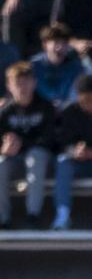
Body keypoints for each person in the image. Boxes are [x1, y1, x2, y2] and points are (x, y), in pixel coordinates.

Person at [0, 55, 54, 226]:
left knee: (35, 156)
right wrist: (4, 148)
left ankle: (33, 215)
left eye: (26, 81)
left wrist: (21, 143)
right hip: (15, 161)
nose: (22, 87)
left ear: (34, 83)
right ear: (9, 86)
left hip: (43, 162)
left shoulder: (46, 107)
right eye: (18, 83)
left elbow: (50, 139)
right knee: (0, 163)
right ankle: (3, 218)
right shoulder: (5, 112)